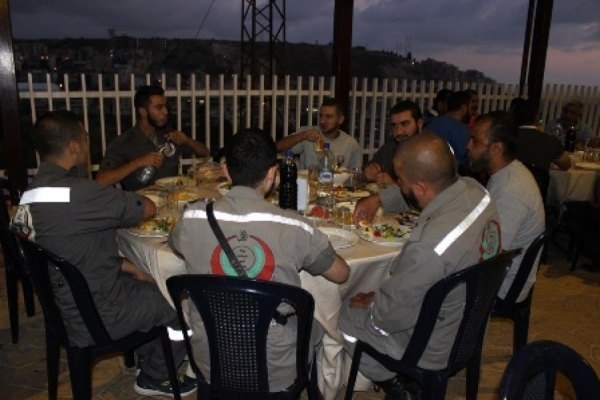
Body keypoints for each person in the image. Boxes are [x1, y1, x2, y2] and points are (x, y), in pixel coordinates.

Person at [10, 111, 197, 397]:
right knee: (176, 303)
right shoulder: (80, 193)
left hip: (62, 302)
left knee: (145, 281)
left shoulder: (31, 193)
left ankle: (149, 356)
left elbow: (70, 250)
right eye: (86, 139)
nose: (88, 144)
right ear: (73, 147)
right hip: (94, 312)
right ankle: (155, 375)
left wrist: (130, 267)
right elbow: (146, 208)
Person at [169, 128, 350, 392]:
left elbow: (175, 245)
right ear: (272, 174)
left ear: (226, 171)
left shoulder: (192, 218)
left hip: (210, 360)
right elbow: (341, 274)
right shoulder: (295, 227)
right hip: (275, 369)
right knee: (321, 320)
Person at [342, 133, 501, 400]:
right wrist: (380, 199)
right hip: (470, 318)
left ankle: (395, 385)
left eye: (401, 181)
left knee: (346, 312)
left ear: (419, 188)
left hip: (435, 342)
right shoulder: (477, 190)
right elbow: (425, 190)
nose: (399, 185)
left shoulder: (428, 248)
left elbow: (388, 315)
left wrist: (376, 301)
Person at [467, 111, 545, 303]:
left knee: (428, 280)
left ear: (496, 149)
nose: (468, 146)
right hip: (497, 270)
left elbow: (491, 256)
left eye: (475, 141)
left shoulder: (512, 191)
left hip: (502, 285)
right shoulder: (505, 173)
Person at [96, 85, 210, 191]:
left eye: (165, 106)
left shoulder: (168, 136)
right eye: (159, 108)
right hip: (141, 204)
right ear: (143, 111)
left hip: (175, 199)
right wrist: (139, 162)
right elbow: (101, 180)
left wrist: (187, 140)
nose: (165, 112)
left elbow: (205, 152)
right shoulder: (123, 143)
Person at [276, 98, 362, 170]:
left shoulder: (351, 144)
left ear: (340, 120)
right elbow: (278, 147)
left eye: (329, 117)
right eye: (321, 116)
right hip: (307, 184)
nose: (322, 121)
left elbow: (356, 175)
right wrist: (302, 136)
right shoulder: (308, 133)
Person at [363, 100, 426, 185]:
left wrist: (393, 184)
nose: (398, 132)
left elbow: (428, 191)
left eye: (404, 124)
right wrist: (368, 173)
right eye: (394, 125)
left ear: (419, 123)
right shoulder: (390, 147)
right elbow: (364, 174)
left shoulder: (431, 151)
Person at [511, 98, 570, 170]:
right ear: (536, 118)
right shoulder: (551, 141)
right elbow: (566, 165)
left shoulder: (507, 139)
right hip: (540, 177)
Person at [426, 90, 472, 173]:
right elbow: (466, 158)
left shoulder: (433, 122)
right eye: (471, 108)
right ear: (464, 108)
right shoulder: (459, 129)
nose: (473, 113)